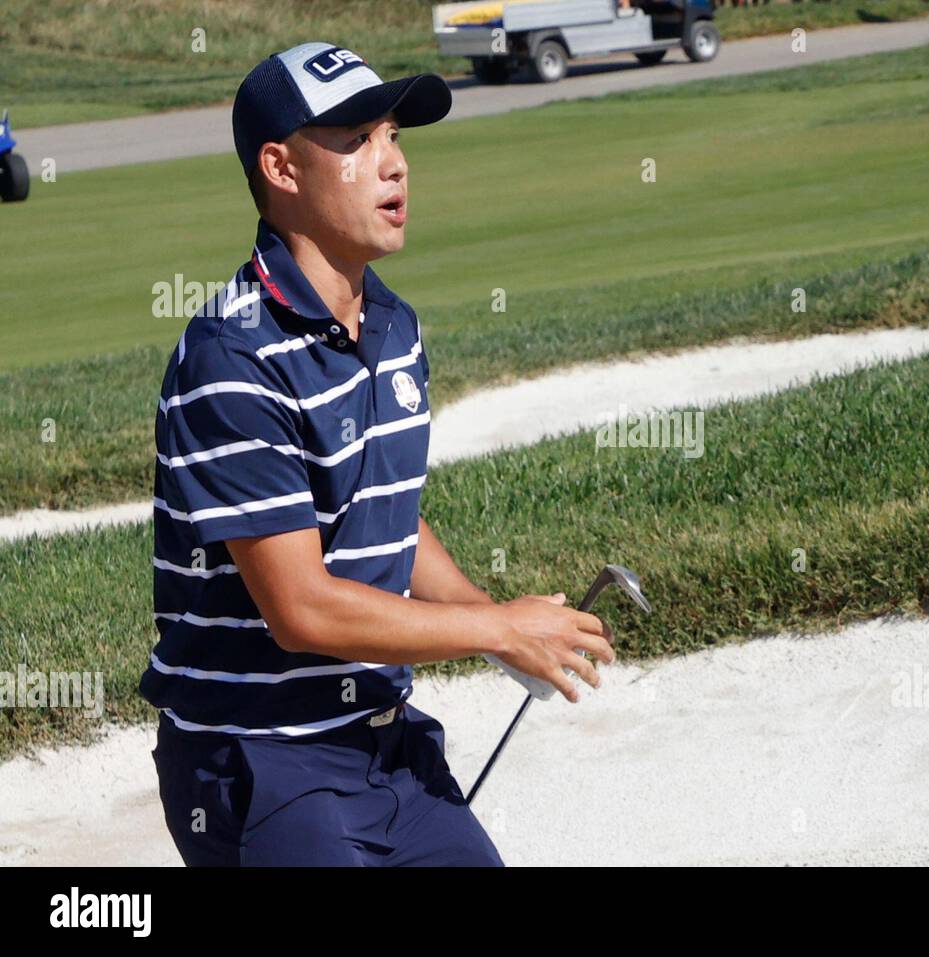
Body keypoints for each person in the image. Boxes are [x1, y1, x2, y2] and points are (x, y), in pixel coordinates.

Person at [141, 41, 615, 866]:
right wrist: (494, 627)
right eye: (358, 139)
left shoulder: (393, 327)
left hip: (388, 747)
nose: (394, 164)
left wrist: (499, 626)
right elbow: (302, 609)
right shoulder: (232, 355)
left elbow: (383, 516)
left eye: (395, 135)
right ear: (282, 169)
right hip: (258, 759)